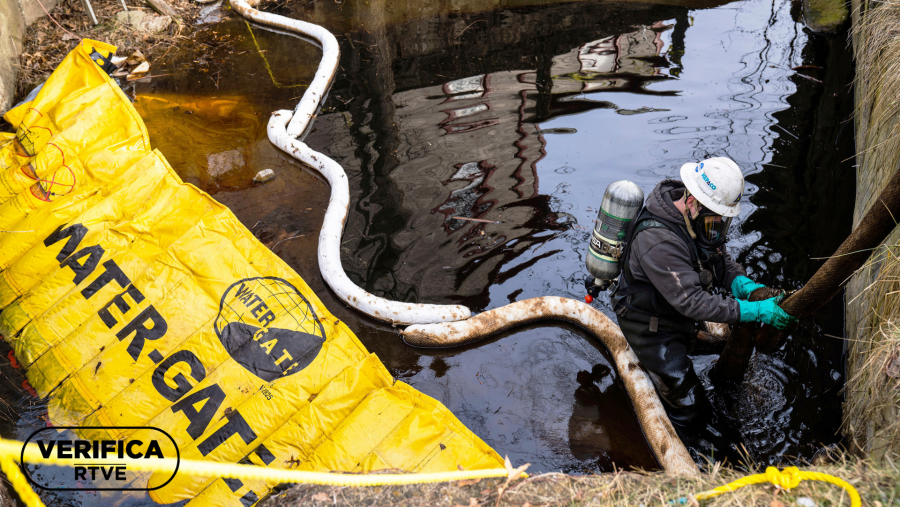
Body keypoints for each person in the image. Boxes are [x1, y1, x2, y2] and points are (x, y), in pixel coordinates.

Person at [609, 157, 796, 460]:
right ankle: (691, 457)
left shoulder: (698, 221)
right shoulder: (657, 240)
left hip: (673, 312)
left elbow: (718, 257)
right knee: (691, 408)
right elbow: (692, 302)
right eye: (714, 224)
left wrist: (741, 283)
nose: (718, 231)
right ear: (692, 203)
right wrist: (753, 311)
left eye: (723, 223)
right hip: (649, 326)